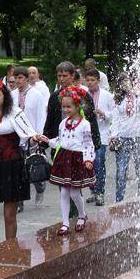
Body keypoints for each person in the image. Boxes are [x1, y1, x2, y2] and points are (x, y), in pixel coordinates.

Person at [0, 81, 44, 245]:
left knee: (9, 215)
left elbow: (28, 137)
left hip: (12, 165)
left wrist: (35, 139)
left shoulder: (15, 113)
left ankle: (10, 248)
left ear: (5, 96)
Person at [41, 87, 96, 235]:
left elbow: (88, 144)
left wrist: (88, 159)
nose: (65, 110)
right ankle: (65, 222)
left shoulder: (84, 124)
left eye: (68, 107)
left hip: (77, 160)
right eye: (63, 107)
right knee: (64, 192)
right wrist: (48, 141)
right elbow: (60, 141)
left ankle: (82, 215)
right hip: (64, 158)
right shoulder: (63, 123)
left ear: (77, 106)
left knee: (75, 193)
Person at [11, 66, 49, 205]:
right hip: (16, 136)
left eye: (20, 78)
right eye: (15, 78)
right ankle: (19, 201)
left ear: (27, 79)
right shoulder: (12, 95)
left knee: (32, 165)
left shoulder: (36, 94)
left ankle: (40, 187)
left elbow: (41, 115)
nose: (18, 81)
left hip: (31, 136)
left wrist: (38, 135)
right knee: (18, 169)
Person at [110, 75, 140, 202]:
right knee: (121, 171)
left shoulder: (139, 95)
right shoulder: (118, 98)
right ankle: (119, 200)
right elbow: (115, 118)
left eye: (127, 81)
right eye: (122, 82)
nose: (125, 84)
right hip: (123, 137)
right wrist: (114, 135)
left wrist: (138, 94)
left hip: (139, 137)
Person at [84, 69, 115, 206]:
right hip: (86, 135)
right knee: (88, 164)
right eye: (88, 80)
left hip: (101, 133)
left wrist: (104, 114)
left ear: (98, 81)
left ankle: (100, 192)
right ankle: (93, 189)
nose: (90, 83)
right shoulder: (83, 95)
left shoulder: (107, 96)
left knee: (99, 162)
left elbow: (114, 114)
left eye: (93, 80)